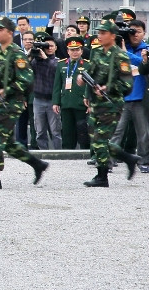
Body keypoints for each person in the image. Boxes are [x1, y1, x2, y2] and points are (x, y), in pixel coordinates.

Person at [0, 17, 49, 190]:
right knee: (8, 143)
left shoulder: (17, 54)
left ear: (10, 33)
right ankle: (37, 164)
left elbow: (27, 79)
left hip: (12, 102)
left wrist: (6, 90)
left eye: (0, 30)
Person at [79, 17, 140, 187]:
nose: (100, 35)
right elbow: (89, 74)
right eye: (99, 32)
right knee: (97, 139)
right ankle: (128, 158)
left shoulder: (120, 56)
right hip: (96, 103)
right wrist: (83, 84)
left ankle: (102, 176)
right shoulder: (96, 52)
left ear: (113, 36)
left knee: (99, 140)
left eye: (104, 33)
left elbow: (127, 84)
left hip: (111, 103)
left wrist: (108, 88)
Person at [51, 37, 90, 150]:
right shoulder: (61, 64)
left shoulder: (87, 65)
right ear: (68, 51)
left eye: (77, 49)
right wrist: (55, 102)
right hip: (66, 102)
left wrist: (90, 102)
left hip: (81, 103)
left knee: (83, 130)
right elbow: (57, 85)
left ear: (82, 51)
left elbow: (90, 85)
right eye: (72, 50)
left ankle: (85, 151)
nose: (74, 52)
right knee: (67, 131)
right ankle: (67, 152)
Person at [30, 33, 61, 149]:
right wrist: (30, 55)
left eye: (51, 46)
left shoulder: (58, 61)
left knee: (55, 131)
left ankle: (58, 153)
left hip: (52, 101)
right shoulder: (36, 61)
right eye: (47, 46)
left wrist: (46, 58)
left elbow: (55, 69)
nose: (49, 48)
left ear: (56, 47)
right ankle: (43, 152)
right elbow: (26, 69)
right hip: (38, 100)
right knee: (40, 131)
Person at [15, 31, 37, 149]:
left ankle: (34, 145)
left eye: (30, 39)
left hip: (34, 93)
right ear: (22, 41)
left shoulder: (37, 54)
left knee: (34, 123)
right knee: (21, 122)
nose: (28, 41)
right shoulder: (18, 55)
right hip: (21, 93)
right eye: (26, 39)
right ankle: (21, 146)